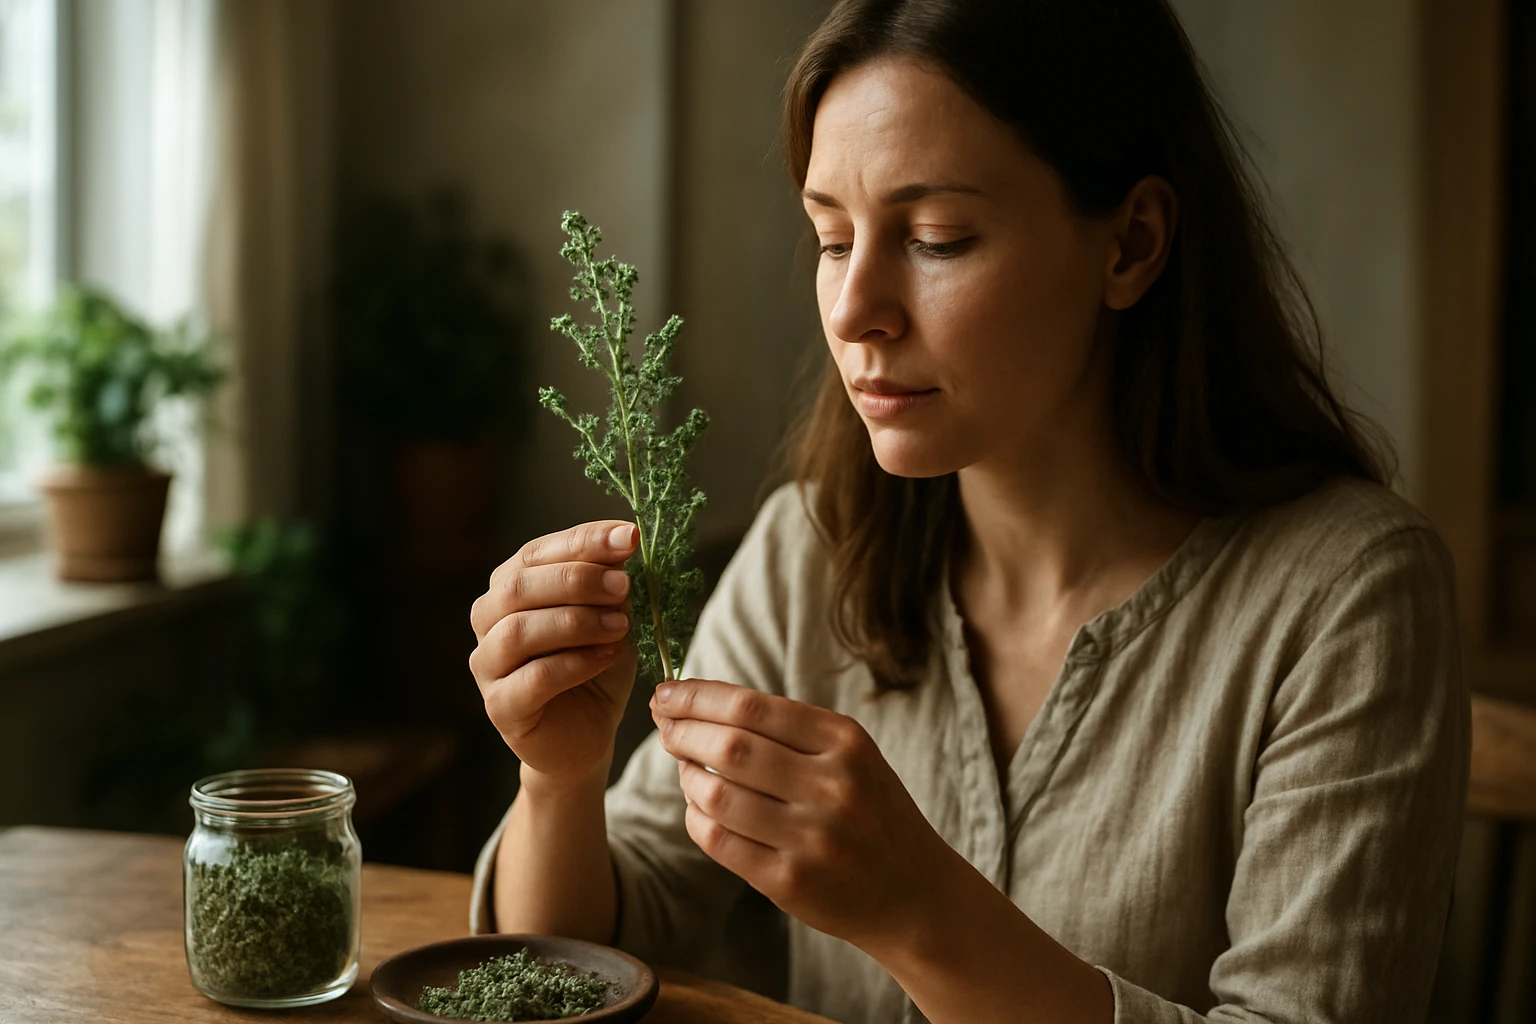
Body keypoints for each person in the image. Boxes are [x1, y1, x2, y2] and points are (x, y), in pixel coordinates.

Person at [464, 1, 1468, 1021]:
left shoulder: (1349, 595)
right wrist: (559, 777)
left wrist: (917, 910)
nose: (856, 308)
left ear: (1132, 243)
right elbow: (589, 947)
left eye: (938, 238)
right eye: (831, 237)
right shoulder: (810, 550)